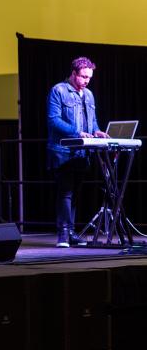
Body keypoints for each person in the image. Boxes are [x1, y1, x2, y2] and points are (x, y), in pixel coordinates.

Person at [47, 56, 108, 248]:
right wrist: (77, 132)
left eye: (89, 77)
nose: (87, 81)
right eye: (83, 76)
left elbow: (92, 120)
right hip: (63, 151)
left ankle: (72, 233)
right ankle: (63, 235)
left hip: (82, 152)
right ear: (73, 73)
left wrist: (97, 131)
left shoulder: (88, 94)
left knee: (74, 193)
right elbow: (53, 120)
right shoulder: (58, 90)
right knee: (65, 192)